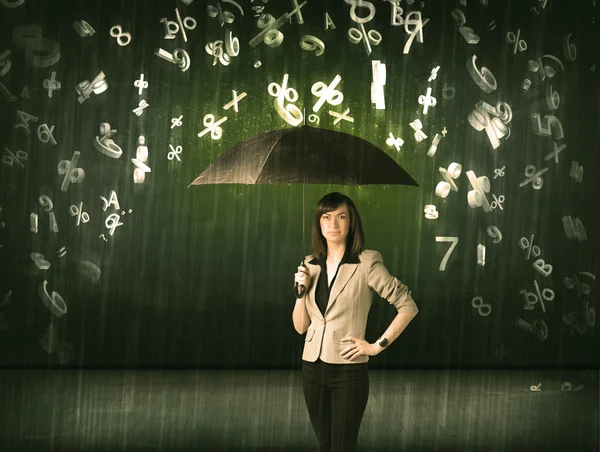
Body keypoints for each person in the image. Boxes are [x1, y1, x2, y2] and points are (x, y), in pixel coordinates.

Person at [292, 192, 419, 452]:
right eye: (326, 217)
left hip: (348, 371)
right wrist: (300, 292)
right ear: (318, 223)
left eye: (341, 216)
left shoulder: (367, 262)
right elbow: (301, 327)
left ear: (352, 222)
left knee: (343, 445)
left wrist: (376, 346)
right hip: (312, 369)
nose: (333, 224)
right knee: (324, 444)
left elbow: (408, 306)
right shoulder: (309, 264)